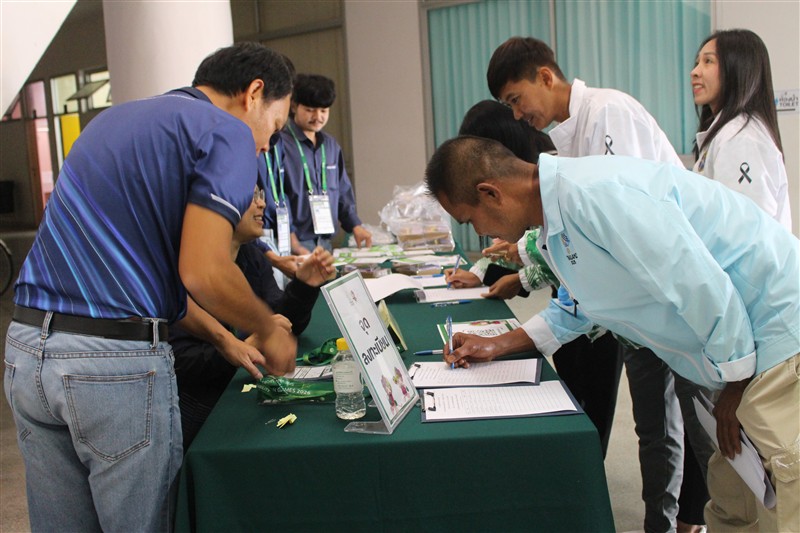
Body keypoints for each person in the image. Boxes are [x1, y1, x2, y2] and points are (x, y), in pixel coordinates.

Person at [428, 135, 799, 533]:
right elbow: (584, 305)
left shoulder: (596, 194)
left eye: (470, 220)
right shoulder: (558, 217)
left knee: (785, 503)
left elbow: (702, 287)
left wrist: (736, 385)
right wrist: (496, 344)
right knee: (734, 506)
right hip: (737, 350)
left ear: (490, 193)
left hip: (775, 335)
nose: (482, 233)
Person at [4, 42, 297, 532]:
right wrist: (268, 328)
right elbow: (203, 271)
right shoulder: (225, 131)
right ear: (253, 93)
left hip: (27, 352)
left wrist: (223, 337)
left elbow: (139, 274)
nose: (266, 146)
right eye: (276, 125)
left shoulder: (113, 121)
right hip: (112, 368)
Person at [487, 36, 701, 532]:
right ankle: (661, 524)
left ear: (545, 76)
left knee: (702, 431)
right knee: (654, 430)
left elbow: (629, 229)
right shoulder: (568, 137)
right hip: (634, 311)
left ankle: (688, 522)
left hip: (674, 297)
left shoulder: (609, 114)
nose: (517, 114)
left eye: (516, 99)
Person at [449, 99, 622, 458]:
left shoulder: (553, 181)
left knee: (600, 403)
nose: (479, 232)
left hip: (614, 323)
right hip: (581, 304)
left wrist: (522, 277)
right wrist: (496, 343)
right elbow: (569, 295)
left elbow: (556, 256)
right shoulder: (530, 182)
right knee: (571, 391)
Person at [690, 28, 793, 530]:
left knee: (775, 477)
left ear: (739, 69)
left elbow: (742, 262)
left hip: (763, 339)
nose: (695, 71)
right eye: (697, 61)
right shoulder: (723, 136)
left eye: (709, 61)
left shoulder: (738, 140)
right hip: (748, 339)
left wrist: (738, 379)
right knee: (734, 478)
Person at [172, 185, 335, 449]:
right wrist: (246, 346)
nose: (262, 204)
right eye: (251, 196)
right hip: (201, 413)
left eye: (261, 195)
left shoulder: (252, 256)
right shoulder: (187, 267)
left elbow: (282, 323)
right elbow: (181, 362)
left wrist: (305, 285)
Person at [281, 73, 371, 253]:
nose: (318, 117)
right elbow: (279, 196)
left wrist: (355, 225)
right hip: (294, 242)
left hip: (325, 241)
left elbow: (342, 190)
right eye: (310, 110)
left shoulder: (330, 146)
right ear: (294, 106)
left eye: (324, 111)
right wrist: (291, 240)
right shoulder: (281, 144)